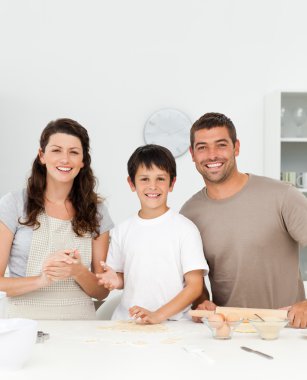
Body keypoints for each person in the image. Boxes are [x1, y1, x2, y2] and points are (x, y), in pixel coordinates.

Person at [180, 112, 307, 328]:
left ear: (236, 147)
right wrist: (202, 302)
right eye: (202, 147)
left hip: (287, 330)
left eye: (221, 145)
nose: (212, 155)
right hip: (228, 332)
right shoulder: (189, 214)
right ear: (192, 154)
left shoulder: (282, 196)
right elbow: (196, 281)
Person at [0, 118, 113, 319]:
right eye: (56, 150)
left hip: (80, 327)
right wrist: (42, 280)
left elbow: (102, 291)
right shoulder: (14, 204)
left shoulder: (96, 211)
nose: (65, 159)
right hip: (25, 326)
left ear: (83, 161)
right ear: (42, 155)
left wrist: (77, 271)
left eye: (74, 152)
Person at [96, 144, 209, 324]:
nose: (153, 186)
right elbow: (126, 276)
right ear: (132, 183)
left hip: (174, 325)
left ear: (172, 183)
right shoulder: (122, 231)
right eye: (144, 179)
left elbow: (195, 287)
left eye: (160, 179)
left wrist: (158, 315)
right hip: (129, 323)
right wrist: (115, 280)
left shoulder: (185, 229)